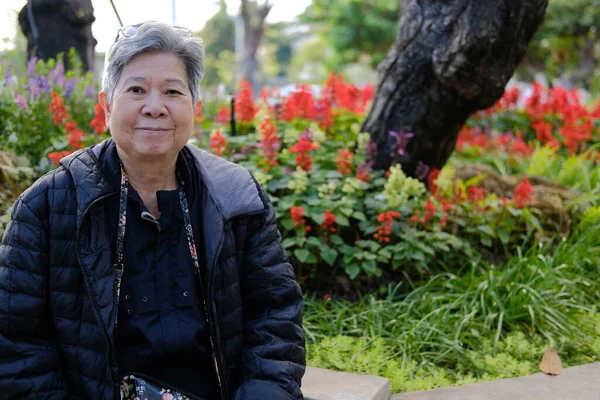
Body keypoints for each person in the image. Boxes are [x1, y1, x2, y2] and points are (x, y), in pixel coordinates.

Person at [0, 21, 305, 400]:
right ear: (107, 105)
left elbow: (275, 317)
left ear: (194, 106)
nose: (154, 108)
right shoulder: (48, 206)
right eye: (136, 90)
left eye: (172, 92)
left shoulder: (236, 197)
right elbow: (16, 343)